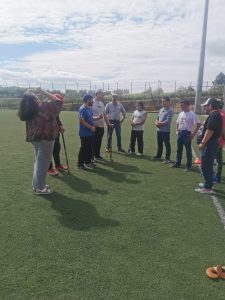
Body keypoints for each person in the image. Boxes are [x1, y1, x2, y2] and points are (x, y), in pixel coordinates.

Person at [18, 89, 63, 195]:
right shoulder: (42, 108)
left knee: (38, 163)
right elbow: (58, 102)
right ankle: (40, 188)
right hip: (45, 139)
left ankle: (37, 184)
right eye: (36, 97)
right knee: (42, 164)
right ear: (34, 100)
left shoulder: (29, 110)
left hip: (35, 139)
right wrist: (44, 92)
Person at [195, 98, 223, 194]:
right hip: (213, 143)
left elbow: (209, 130)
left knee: (206, 165)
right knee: (208, 165)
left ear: (210, 106)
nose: (205, 108)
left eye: (206, 106)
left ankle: (208, 187)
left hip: (210, 144)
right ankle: (208, 183)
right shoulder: (217, 115)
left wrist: (203, 143)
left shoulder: (214, 115)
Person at [171, 99, 201, 171]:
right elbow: (177, 122)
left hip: (187, 133)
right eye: (181, 105)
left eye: (182, 105)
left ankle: (188, 166)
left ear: (187, 105)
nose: (181, 107)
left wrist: (193, 134)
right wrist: (177, 130)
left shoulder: (192, 114)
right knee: (179, 149)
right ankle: (178, 163)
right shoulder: (181, 113)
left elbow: (198, 124)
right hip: (180, 133)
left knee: (188, 151)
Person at [48, 93, 68, 176]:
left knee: (57, 148)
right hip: (47, 133)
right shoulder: (47, 108)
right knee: (48, 150)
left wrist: (60, 126)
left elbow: (57, 118)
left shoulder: (55, 109)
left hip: (55, 132)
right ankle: (49, 168)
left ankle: (58, 165)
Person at [77, 94, 96, 170]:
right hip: (84, 133)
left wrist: (95, 124)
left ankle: (87, 162)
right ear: (87, 100)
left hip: (90, 133)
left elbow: (91, 118)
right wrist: (91, 127)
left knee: (89, 148)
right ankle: (80, 164)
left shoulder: (89, 108)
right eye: (91, 99)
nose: (92, 101)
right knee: (84, 148)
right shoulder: (82, 109)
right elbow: (82, 121)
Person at [153, 96, 173, 163]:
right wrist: (156, 122)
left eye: (164, 101)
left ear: (168, 102)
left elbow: (168, 121)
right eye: (162, 101)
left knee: (167, 144)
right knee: (159, 143)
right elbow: (157, 118)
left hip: (165, 131)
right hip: (159, 130)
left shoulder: (170, 110)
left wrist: (159, 124)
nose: (163, 103)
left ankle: (167, 158)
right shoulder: (161, 109)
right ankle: (159, 156)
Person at [92, 89, 110, 160]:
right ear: (97, 93)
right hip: (94, 126)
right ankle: (91, 156)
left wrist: (108, 123)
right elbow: (89, 115)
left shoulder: (101, 103)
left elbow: (104, 115)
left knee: (99, 141)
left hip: (101, 126)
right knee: (93, 142)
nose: (103, 95)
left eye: (103, 94)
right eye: (101, 93)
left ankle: (97, 155)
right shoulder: (92, 102)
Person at [213, 99, 225, 183]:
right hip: (218, 140)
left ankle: (217, 177)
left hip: (217, 140)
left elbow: (223, 129)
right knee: (218, 159)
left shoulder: (221, 115)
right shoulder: (220, 114)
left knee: (217, 160)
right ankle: (217, 176)